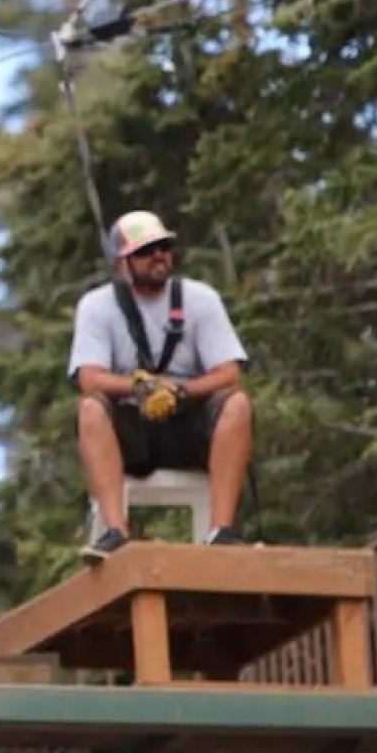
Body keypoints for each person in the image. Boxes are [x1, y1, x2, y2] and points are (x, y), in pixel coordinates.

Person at [67, 210, 253, 560]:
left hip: (188, 425)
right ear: (123, 263)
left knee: (237, 402)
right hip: (132, 432)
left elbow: (228, 372)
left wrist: (181, 390)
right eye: (146, 250)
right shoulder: (97, 307)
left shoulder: (201, 299)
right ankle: (115, 532)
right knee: (91, 407)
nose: (158, 256)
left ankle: (221, 531)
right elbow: (89, 377)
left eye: (163, 247)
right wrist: (141, 388)